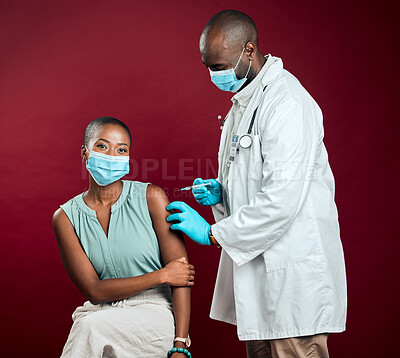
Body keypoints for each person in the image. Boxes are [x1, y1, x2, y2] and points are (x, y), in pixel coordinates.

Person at [166, 10, 347, 358]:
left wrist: (212, 233)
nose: (214, 75)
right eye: (208, 66)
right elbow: (255, 178)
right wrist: (224, 193)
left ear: (249, 51)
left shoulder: (287, 103)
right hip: (261, 284)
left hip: (293, 285)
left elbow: (282, 198)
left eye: (219, 66)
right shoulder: (245, 102)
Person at [53, 117, 194, 358]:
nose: (111, 156)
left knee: (88, 330)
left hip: (153, 312)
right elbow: (94, 291)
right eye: (102, 146)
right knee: (90, 326)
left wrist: (180, 345)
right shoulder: (65, 217)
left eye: (121, 150)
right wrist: (162, 274)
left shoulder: (152, 198)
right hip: (99, 311)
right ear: (85, 152)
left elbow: (180, 277)